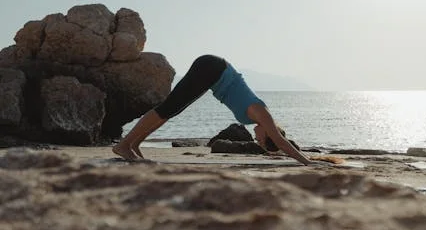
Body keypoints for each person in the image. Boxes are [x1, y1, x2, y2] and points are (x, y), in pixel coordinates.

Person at [112, 54, 311, 165]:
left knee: (172, 110)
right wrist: (307, 162)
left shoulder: (256, 119)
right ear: (269, 134)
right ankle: (124, 145)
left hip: (212, 74)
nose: (256, 139)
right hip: (213, 69)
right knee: (168, 108)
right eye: (261, 140)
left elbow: (279, 144)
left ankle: (134, 144)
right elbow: (282, 142)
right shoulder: (263, 114)